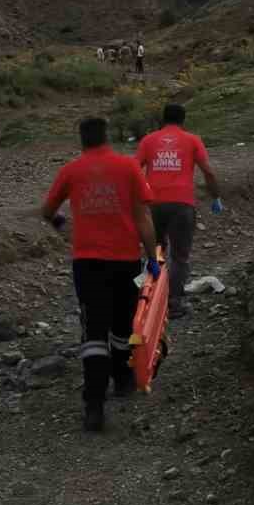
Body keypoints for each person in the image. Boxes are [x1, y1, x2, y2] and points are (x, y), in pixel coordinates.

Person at [41, 115, 160, 432]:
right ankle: (122, 380)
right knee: (123, 324)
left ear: (82, 140)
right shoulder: (128, 167)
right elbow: (143, 215)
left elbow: (47, 210)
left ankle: (94, 405)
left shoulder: (71, 170)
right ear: (107, 137)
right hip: (125, 261)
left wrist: (64, 228)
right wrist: (153, 257)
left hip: (87, 262)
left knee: (94, 331)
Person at [135, 102, 222, 318]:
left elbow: (134, 170)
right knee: (180, 256)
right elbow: (208, 172)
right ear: (183, 120)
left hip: (152, 204)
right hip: (182, 205)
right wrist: (216, 197)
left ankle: (147, 299)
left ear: (163, 119)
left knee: (153, 252)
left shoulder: (149, 140)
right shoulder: (192, 140)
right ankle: (173, 304)